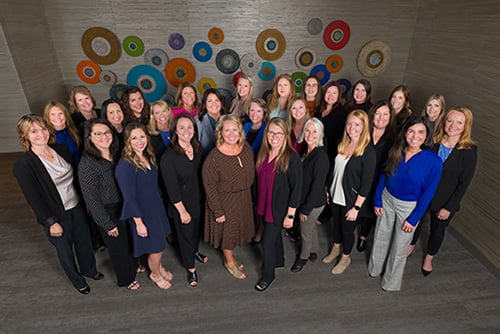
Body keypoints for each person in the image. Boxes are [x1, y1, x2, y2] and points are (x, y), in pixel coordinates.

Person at [13, 115, 103, 294]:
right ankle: (78, 281)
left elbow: (75, 180)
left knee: (84, 241)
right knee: (65, 251)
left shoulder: (60, 149)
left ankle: (89, 270)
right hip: (56, 215)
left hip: (76, 206)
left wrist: (85, 202)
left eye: (43, 129)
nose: (41, 134)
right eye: (34, 131)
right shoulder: (24, 165)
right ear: (25, 136)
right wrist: (50, 222)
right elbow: (34, 198)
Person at [368, 117, 442, 291]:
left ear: (426, 135)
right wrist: (377, 199)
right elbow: (384, 175)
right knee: (380, 235)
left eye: (420, 132)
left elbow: (428, 194)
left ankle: (390, 283)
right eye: (411, 131)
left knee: (400, 246)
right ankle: (374, 268)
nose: (415, 136)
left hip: (408, 207)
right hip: (386, 198)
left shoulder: (433, 162)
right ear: (405, 133)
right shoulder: (396, 150)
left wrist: (414, 219)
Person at [409, 107, 477, 275]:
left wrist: (450, 207)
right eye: (450, 120)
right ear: (444, 121)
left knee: (437, 230)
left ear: (465, 126)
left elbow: (464, 183)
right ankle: (410, 245)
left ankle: (429, 258)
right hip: (423, 194)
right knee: (415, 222)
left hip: (445, 201)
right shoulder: (433, 142)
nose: (453, 125)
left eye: (459, 122)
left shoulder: (469, 151)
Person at [78, 119, 139, 290]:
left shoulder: (117, 152)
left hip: (126, 205)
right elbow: (92, 200)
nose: (104, 137)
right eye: (97, 133)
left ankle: (134, 266)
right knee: (118, 249)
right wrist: (107, 224)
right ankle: (126, 279)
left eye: (107, 132)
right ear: (89, 138)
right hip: (108, 211)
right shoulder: (87, 164)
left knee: (130, 241)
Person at [115, 123, 173, 290]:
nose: (139, 141)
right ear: (128, 141)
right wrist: (139, 222)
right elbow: (129, 197)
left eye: (142, 136)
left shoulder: (148, 156)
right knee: (156, 248)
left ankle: (158, 266)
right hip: (142, 213)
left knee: (159, 242)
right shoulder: (125, 166)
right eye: (134, 138)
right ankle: (155, 273)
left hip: (155, 208)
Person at [322, 110, 376, 274]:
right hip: (335, 194)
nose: (352, 128)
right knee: (336, 225)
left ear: (364, 127)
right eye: (350, 123)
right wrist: (328, 188)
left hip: (351, 200)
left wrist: (356, 208)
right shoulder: (342, 142)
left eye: (357, 124)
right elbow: (334, 169)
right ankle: (336, 248)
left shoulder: (368, 151)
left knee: (347, 230)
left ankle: (345, 257)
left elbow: (366, 184)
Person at [202, 115, 255, 280]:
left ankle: (231, 256)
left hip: (243, 197)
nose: (231, 134)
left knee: (238, 229)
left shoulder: (245, 147)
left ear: (240, 131)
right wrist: (218, 211)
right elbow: (209, 186)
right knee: (228, 233)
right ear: (220, 132)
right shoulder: (214, 158)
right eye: (227, 130)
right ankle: (229, 262)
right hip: (225, 201)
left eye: (235, 129)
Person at [254, 117, 302, 291]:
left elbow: (297, 188)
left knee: (267, 242)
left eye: (279, 133)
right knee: (273, 236)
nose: (274, 136)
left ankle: (268, 275)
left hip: (279, 208)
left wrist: (290, 214)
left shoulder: (291, 157)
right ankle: (279, 259)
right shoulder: (263, 153)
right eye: (271, 132)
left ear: (285, 135)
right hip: (264, 203)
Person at [161, 114, 208, 287]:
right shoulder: (169, 157)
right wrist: (182, 211)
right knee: (186, 237)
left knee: (195, 233)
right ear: (175, 130)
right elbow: (171, 189)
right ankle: (191, 269)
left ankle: (194, 252)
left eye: (190, 127)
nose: (186, 131)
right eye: (181, 127)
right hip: (182, 207)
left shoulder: (197, 148)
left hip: (198, 201)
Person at [290, 118, 329, 272]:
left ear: (320, 134)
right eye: (307, 130)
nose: (310, 134)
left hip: (313, 202)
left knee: (305, 231)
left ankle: (303, 257)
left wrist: (305, 209)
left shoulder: (320, 156)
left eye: (314, 131)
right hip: (306, 199)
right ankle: (314, 250)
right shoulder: (305, 151)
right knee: (311, 227)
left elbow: (317, 186)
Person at [356, 100, 396, 252]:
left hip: (380, 180)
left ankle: (364, 236)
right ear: (372, 115)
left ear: (390, 117)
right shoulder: (362, 133)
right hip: (360, 178)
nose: (381, 117)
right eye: (378, 113)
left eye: (385, 114)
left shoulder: (394, 138)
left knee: (370, 212)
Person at [314, 81, 347, 161]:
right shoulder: (318, 109)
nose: (330, 95)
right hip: (316, 149)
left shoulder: (342, 113)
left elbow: (341, 137)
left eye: (334, 93)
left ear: (338, 96)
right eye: (328, 92)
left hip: (331, 153)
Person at [43, 101, 81, 166]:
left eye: (60, 113)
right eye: (52, 114)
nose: (57, 117)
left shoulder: (74, 131)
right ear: (48, 117)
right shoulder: (46, 138)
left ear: (66, 115)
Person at [197, 88, 226, 159]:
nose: (214, 104)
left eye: (217, 100)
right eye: (210, 101)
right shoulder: (198, 121)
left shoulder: (229, 119)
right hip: (205, 161)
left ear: (221, 102)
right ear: (205, 103)